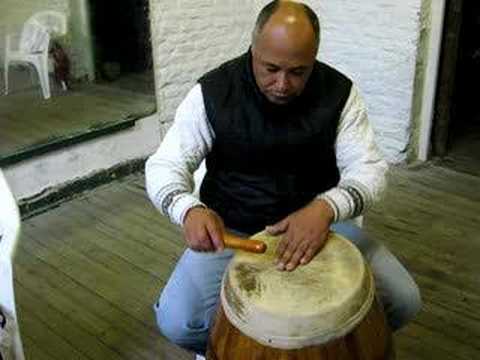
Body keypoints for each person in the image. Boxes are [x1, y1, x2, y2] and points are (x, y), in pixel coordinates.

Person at [145, 0, 421, 356]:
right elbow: (164, 165)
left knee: (403, 300)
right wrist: (187, 210)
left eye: (298, 72)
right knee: (178, 322)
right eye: (271, 68)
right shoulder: (213, 92)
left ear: (315, 57)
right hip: (235, 231)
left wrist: (325, 208)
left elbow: (370, 170)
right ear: (253, 47)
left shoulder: (339, 92)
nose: (282, 84)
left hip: (320, 227)